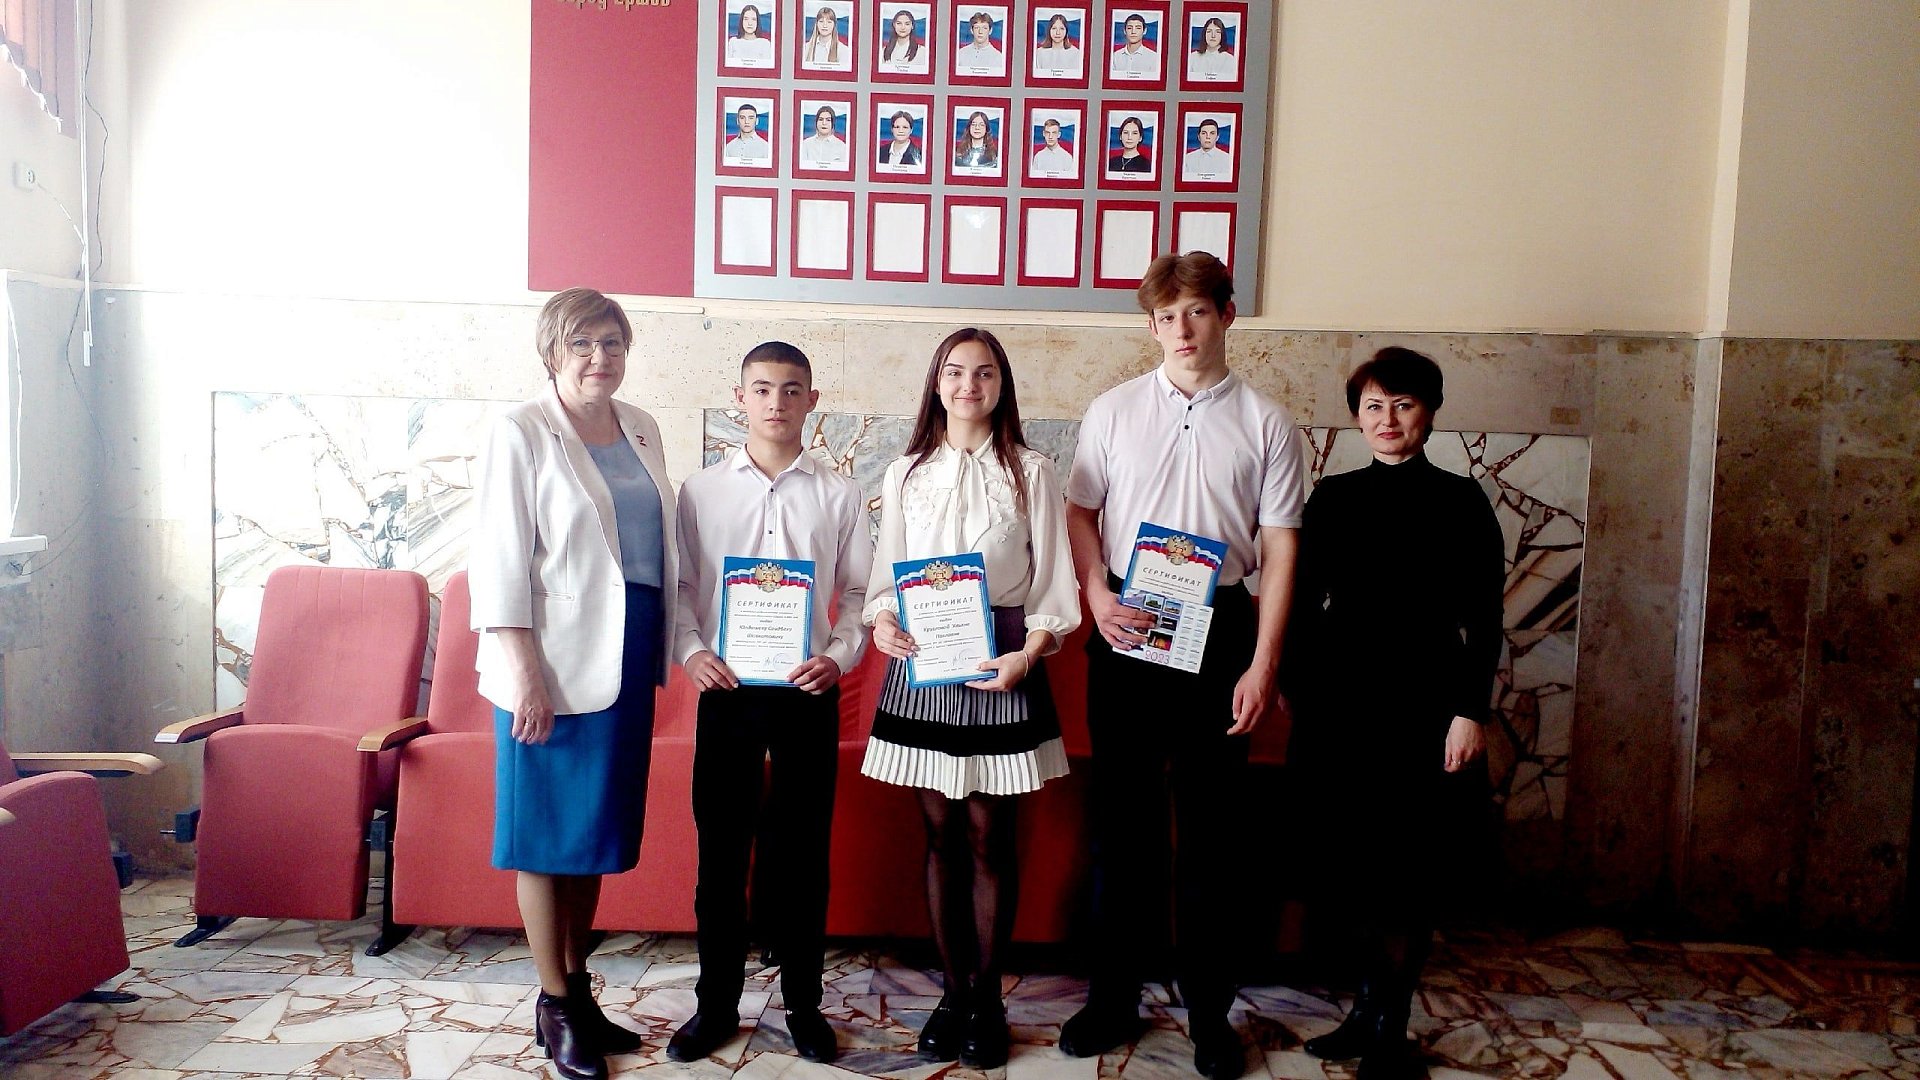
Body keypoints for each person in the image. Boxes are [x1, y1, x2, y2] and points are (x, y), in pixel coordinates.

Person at [1059, 252, 1304, 1080]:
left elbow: (1280, 548)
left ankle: (1208, 1012)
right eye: (1167, 317)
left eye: (1197, 311)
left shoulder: (1267, 423)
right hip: (1129, 625)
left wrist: (1264, 664)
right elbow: (1081, 513)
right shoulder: (1113, 409)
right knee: (1120, 830)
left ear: (1227, 315)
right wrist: (1096, 592)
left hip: (1221, 630)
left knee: (1211, 837)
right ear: (1152, 326)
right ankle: (1112, 999)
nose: (1182, 330)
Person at [470, 288, 678, 1080]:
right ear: (552, 350)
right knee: (543, 835)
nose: (601, 357)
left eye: (613, 343)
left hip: (625, 652)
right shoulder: (520, 429)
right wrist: (524, 673)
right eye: (583, 343)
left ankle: (579, 989)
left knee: (591, 834)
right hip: (549, 661)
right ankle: (554, 1003)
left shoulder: (641, 426)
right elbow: (499, 559)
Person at [862, 329, 1080, 1069]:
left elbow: (1053, 582)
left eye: (984, 373)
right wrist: (883, 620)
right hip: (923, 663)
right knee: (940, 838)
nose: (968, 385)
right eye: (954, 372)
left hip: (1002, 659)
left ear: (1001, 385)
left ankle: (988, 998)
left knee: (990, 835)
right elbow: (886, 576)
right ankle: (952, 994)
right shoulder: (905, 472)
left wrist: (1029, 653)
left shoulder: (1032, 470)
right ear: (936, 383)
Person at [1286, 348, 1503, 1080]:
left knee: (1408, 872)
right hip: (1341, 707)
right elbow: (1302, 602)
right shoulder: (1333, 496)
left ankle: (1392, 1025)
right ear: (1357, 416)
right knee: (1350, 868)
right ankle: (1364, 1011)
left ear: (1429, 413)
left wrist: (1471, 711)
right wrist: (1296, 687)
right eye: (1374, 407)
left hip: (1427, 703)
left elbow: (1486, 618)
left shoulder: (1462, 501)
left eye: (1403, 405)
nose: (1388, 420)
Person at [667, 342, 872, 1067]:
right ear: (740, 398)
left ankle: (804, 1005)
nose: (776, 403)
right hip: (725, 690)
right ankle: (715, 1004)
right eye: (761, 389)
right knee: (721, 852)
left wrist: (838, 655)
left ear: (811, 400)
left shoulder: (841, 494)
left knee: (802, 853)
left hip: (806, 690)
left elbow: (859, 594)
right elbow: (683, 587)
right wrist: (692, 651)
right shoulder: (700, 492)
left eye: (790, 390)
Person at [1032, 12, 1082, 78]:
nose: (1058, 33)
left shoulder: (1076, 53)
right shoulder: (1039, 53)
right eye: (1054, 28)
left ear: (1066, 31)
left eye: (1061, 29)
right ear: (1049, 30)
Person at [1109, 12, 1157, 78]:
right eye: (1129, 28)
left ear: (1144, 31)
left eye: (1138, 28)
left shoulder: (1154, 58)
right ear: (1124, 31)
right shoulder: (1115, 57)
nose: (1133, 32)